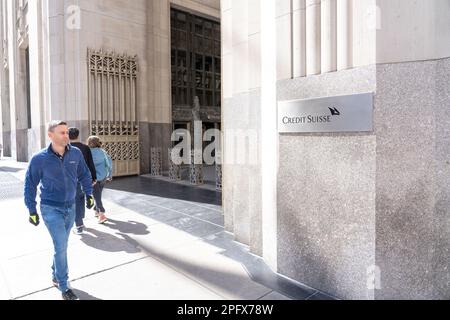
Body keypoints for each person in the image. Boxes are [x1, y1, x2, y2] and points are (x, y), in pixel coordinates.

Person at [24, 121, 95, 300]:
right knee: (61, 246)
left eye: (66, 132)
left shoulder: (76, 153)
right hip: (50, 208)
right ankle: (64, 286)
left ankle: (55, 275)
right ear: (50, 135)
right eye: (62, 133)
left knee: (61, 246)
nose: (66, 135)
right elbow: (30, 184)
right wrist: (32, 209)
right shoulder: (39, 158)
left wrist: (89, 193)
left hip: (70, 207)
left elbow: (85, 174)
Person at [69, 127, 97, 235]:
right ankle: (80, 220)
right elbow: (90, 164)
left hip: (71, 180)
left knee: (74, 201)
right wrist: (94, 178)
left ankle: (79, 224)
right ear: (78, 135)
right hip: (84, 179)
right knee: (80, 199)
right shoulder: (85, 147)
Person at [87, 136, 113, 224]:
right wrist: (110, 174)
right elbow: (109, 163)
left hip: (92, 178)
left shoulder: (87, 153)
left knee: (97, 195)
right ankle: (96, 210)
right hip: (103, 176)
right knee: (98, 195)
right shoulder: (103, 152)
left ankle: (101, 214)